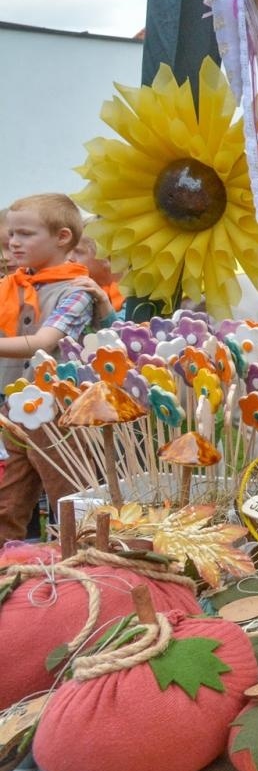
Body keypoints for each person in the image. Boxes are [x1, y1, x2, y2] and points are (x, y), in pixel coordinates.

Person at [0, 195, 102, 540]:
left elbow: (45, 341)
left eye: (26, 234)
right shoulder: (9, 287)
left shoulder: (76, 291)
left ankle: (76, 568)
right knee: (7, 499)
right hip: (11, 407)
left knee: (67, 496)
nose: (13, 242)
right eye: (11, 234)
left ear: (62, 237)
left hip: (56, 410)